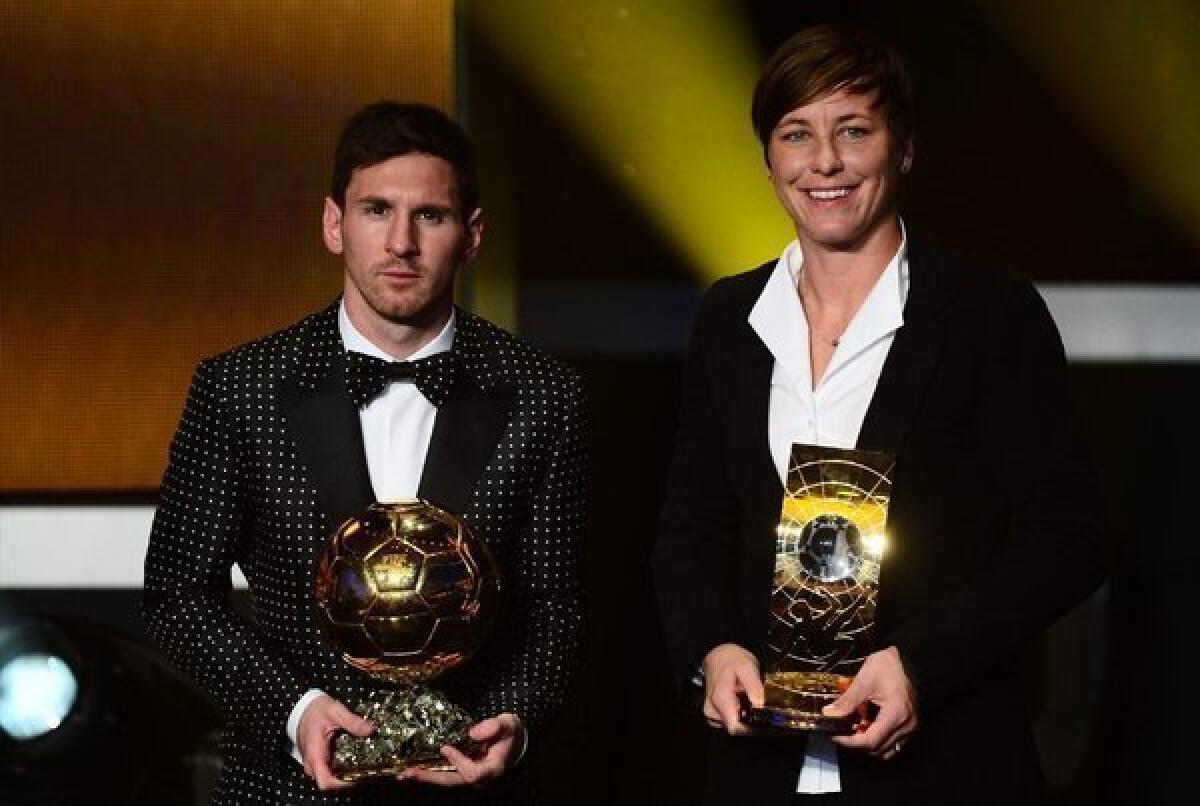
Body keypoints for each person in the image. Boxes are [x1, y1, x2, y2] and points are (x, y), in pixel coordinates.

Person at [652, 24, 1106, 804]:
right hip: (758, 765)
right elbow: (692, 524)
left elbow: (1069, 538)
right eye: (796, 134)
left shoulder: (989, 313)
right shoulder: (730, 318)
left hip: (943, 765)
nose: (823, 161)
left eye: (852, 130)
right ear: (769, 160)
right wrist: (712, 649)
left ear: (902, 149)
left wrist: (919, 665)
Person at [143, 102, 587, 805]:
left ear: (471, 235)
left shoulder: (544, 395)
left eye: (430, 216)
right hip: (285, 789)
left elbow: (558, 606)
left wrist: (516, 722)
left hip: (473, 789)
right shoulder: (239, 387)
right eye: (376, 210)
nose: (401, 243)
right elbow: (177, 594)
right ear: (333, 223)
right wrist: (295, 714)